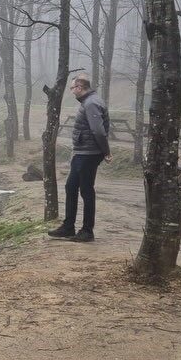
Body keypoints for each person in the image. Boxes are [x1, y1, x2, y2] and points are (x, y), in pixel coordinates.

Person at [49, 76, 111, 241]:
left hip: (89, 153)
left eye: (72, 88)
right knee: (71, 187)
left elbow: (98, 130)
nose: (71, 91)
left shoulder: (91, 103)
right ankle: (68, 227)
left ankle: (87, 231)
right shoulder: (88, 102)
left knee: (86, 190)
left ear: (79, 87)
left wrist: (106, 151)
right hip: (82, 152)